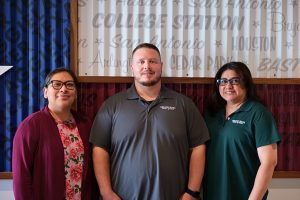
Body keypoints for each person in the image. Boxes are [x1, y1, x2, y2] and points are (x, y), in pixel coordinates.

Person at [90, 43, 210, 200]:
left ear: (161, 66)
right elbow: (99, 149)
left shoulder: (183, 104)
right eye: (141, 62)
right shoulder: (112, 105)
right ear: (132, 67)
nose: (147, 66)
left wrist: (192, 192)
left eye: (153, 61)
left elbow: (198, 147)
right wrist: (106, 193)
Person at [12, 68, 98, 200]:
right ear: (45, 92)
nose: (63, 89)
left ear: (75, 93)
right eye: (57, 84)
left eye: (69, 85)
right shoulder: (30, 126)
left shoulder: (85, 124)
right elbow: (21, 179)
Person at [203, 62, 281, 200]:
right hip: (213, 193)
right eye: (223, 81)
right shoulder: (211, 114)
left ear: (246, 83)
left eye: (235, 81)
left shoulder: (258, 114)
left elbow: (269, 162)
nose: (228, 86)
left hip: (245, 195)